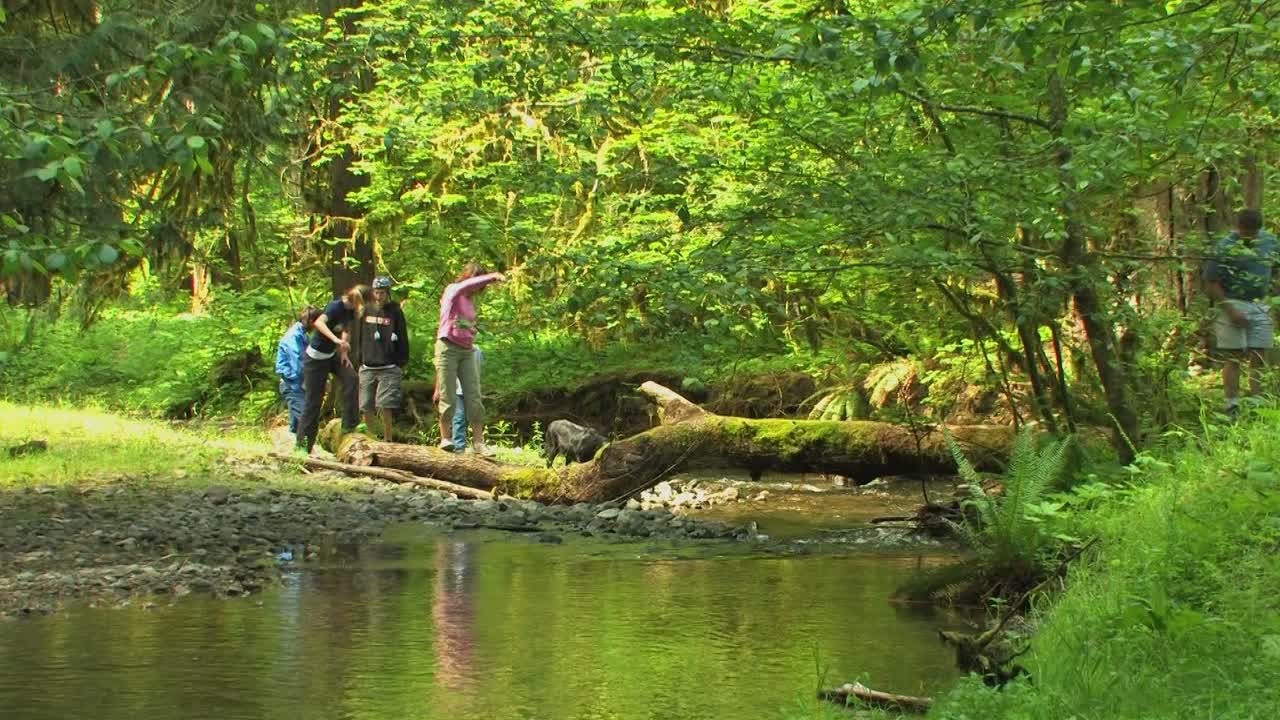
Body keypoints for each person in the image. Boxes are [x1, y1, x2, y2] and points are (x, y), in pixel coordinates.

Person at [1204, 209, 1278, 415]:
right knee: (1234, 355)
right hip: (1232, 302)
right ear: (1238, 227)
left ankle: (1257, 403)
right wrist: (1230, 309)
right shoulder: (1225, 246)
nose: (1249, 235)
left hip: (1261, 304)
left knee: (1259, 354)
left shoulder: (1270, 242)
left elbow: (1276, 270)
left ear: (1259, 228)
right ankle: (1232, 405)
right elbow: (1211, 282)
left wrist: (1273, 300)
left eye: (1253, 232)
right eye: (1245, 231)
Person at [435, 263, 506, 455]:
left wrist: (471, 331)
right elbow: (464, 287)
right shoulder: (453, 290)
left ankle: (478, 442)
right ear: (469, 278)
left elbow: (466, 323)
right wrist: (492, 276)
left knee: (473, 395)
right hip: (447, 347)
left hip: (467, 351)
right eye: (477, 282)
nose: (478, 289)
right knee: (448, 395)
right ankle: (446, 438)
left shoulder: (469, 301)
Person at [296, 285, 365, 453]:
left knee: (351, 378)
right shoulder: (335, 306)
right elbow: (319, 323)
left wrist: (342, 352)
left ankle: (349, 425)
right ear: (353, 300)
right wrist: (336, 340)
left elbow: (346, 329)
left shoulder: (349, 311)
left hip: (332, 355)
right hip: (316, 358)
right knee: (314, 402)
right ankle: (302, 446)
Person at [353, 276, 410, 442]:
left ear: (388, 293)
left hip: (389, 365)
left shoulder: (395, 312)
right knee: (365, 405)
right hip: (368, 365)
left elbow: (403, 337)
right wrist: (359, 358)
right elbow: (359, 336)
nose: (379, 296)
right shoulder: (366, 310)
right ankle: (369, 439)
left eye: (382, 293)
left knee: (385, 404)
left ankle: (388, 439)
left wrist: (401, 362)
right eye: (377, 293)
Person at [276, 306, 322, 434]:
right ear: (312, 321)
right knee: (306, 420)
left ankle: (297, 449)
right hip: (293, 385)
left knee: (297, 426)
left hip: (299, 385)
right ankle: (304, 449)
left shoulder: (302, 335)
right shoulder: (293, 337)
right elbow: (298, 363)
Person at [452, 346, 483, 450]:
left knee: (475, 416)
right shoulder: (453, 348)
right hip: (456, 390)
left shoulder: (477, 350)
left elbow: (478, 369)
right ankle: (459, 449)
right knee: (459, 418)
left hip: (472, 390)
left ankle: (478, 446)